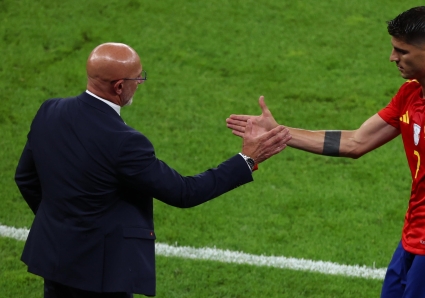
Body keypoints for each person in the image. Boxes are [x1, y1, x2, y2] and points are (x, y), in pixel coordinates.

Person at [227, 6, 425, 298]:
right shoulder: (410, 94)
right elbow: (356, 142)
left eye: (401, 51)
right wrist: (280, 133)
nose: (392, 58)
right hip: (411, 239)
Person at [14, 42, 291, 298]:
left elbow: (25, 178)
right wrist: (247, 159)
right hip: (101, 275)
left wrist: (65, 226)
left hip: (54, 259)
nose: (141, 83)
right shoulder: (124, 141)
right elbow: (185, 192)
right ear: (120, 87)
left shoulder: (49, 111)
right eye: (138, 78)